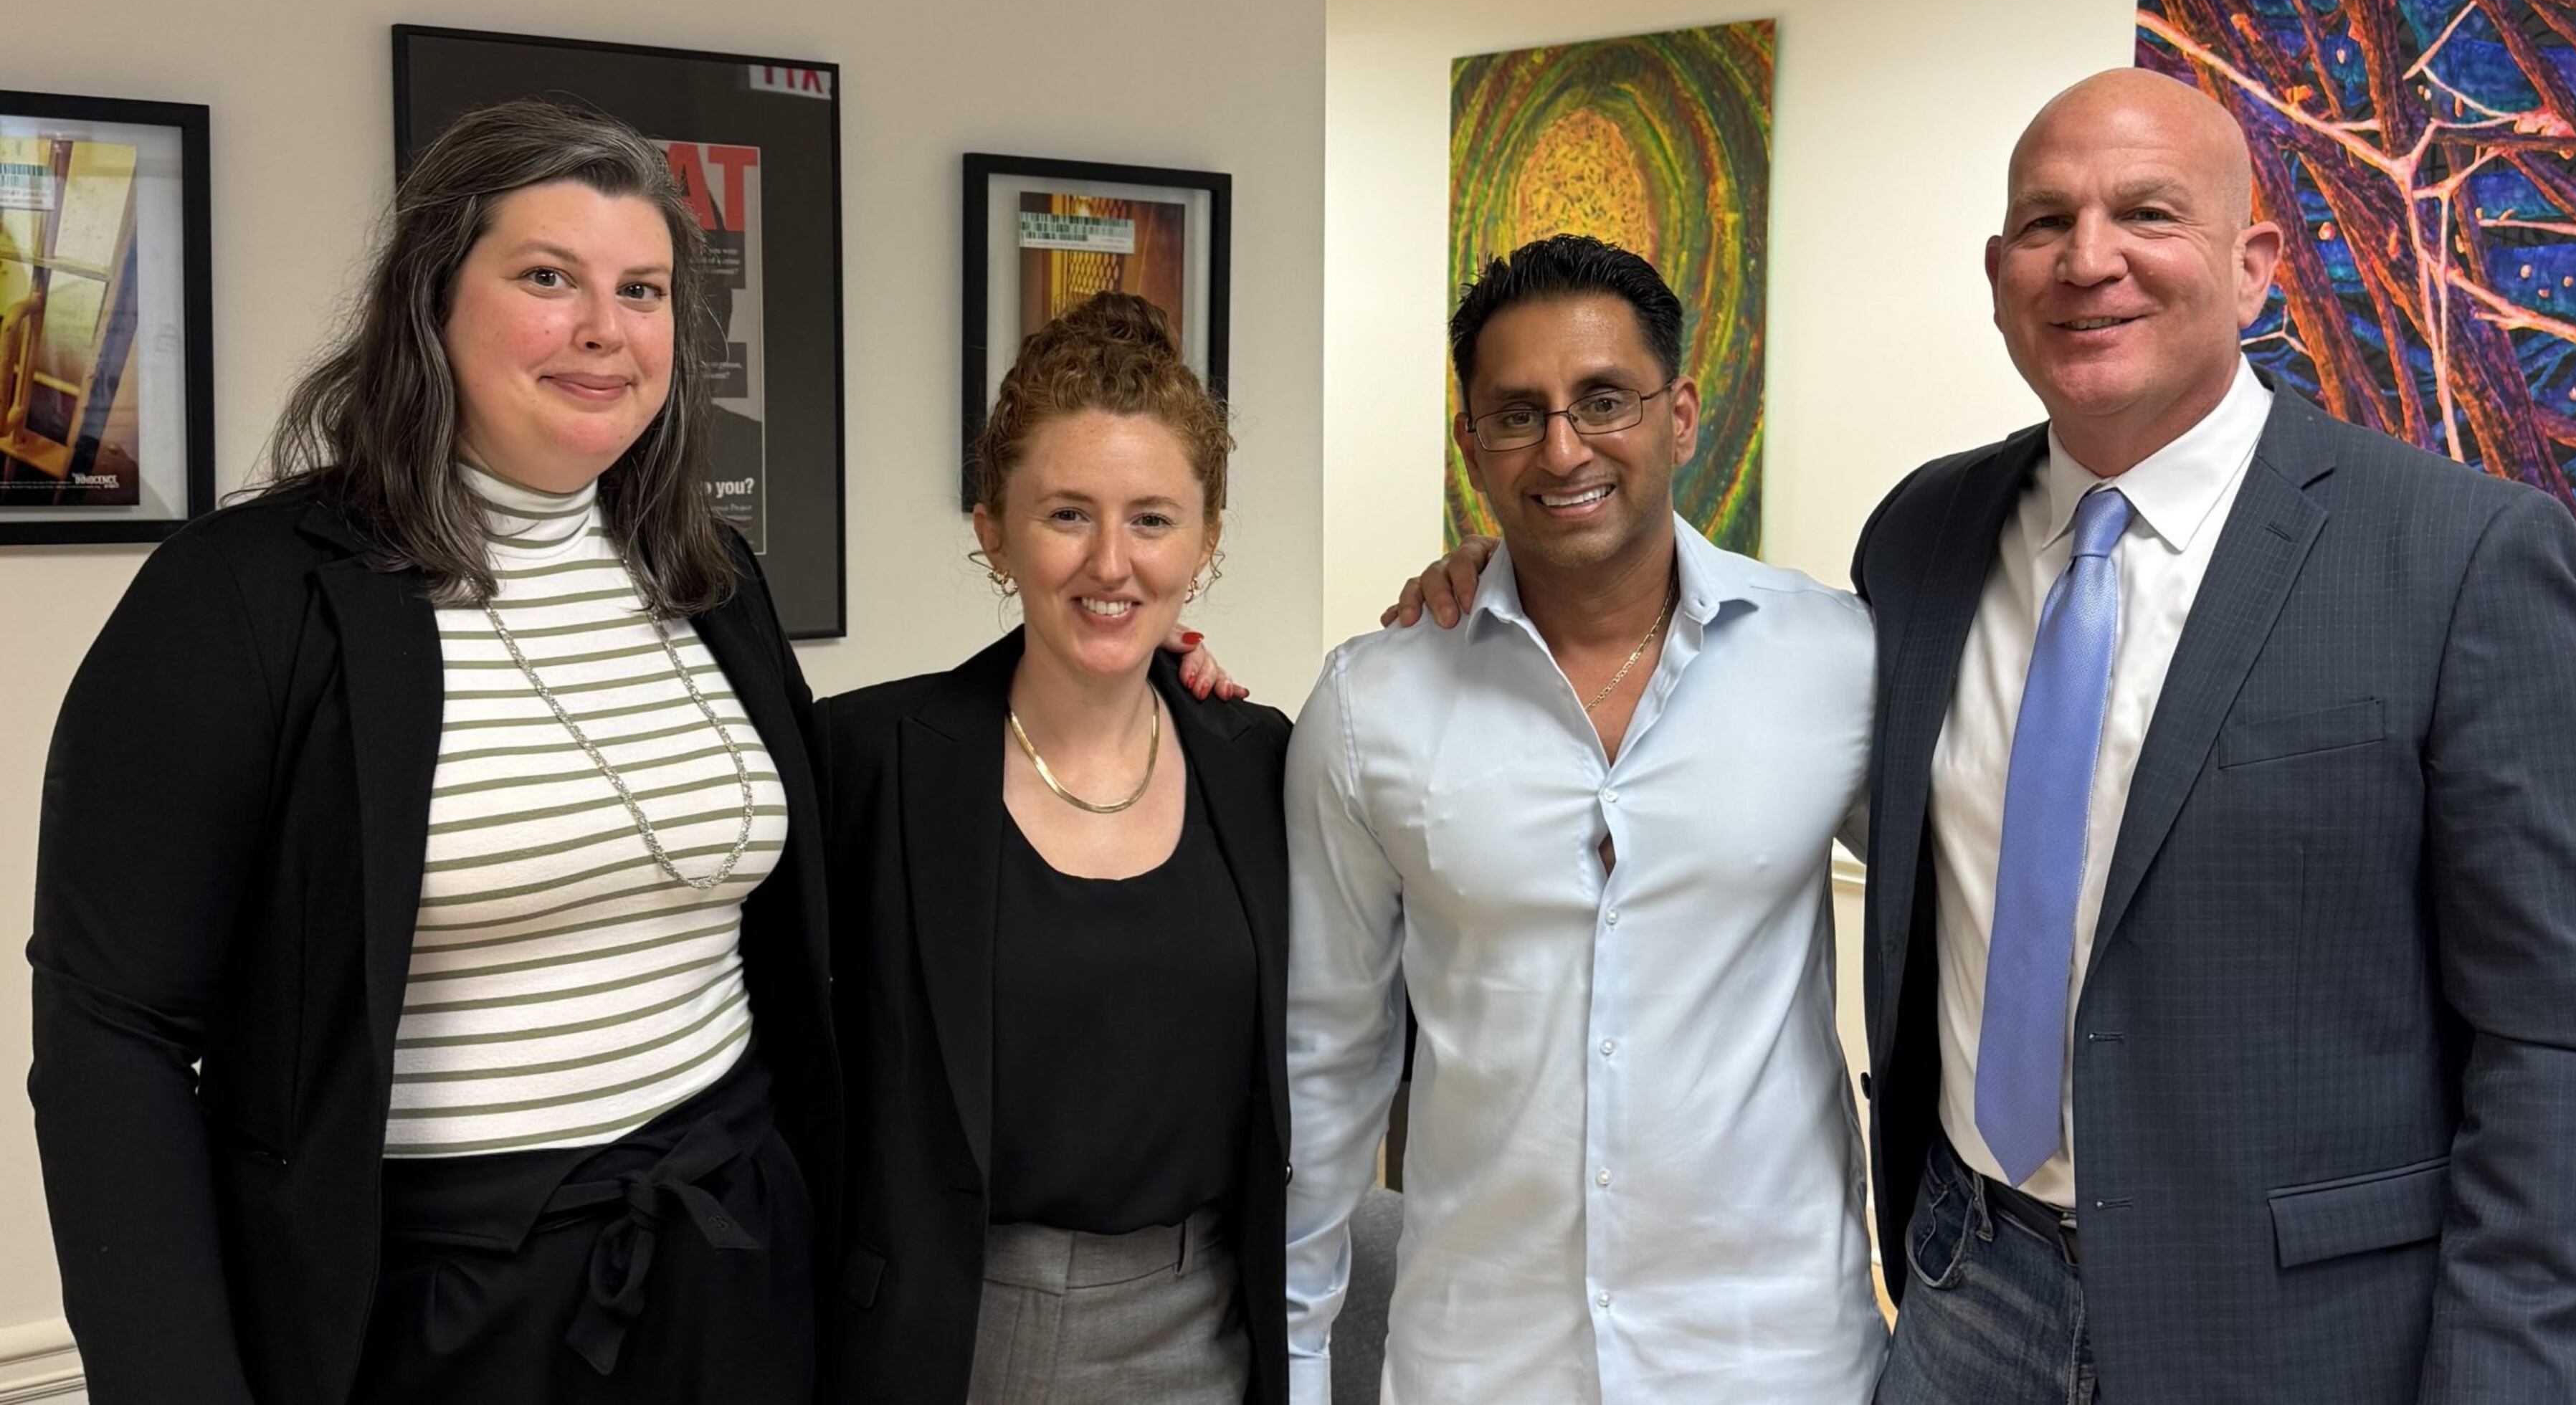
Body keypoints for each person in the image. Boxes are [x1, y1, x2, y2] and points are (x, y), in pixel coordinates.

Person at [1402, 71, 2576, 1404]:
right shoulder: (1926, 540)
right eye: (2046, 222)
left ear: (2253, 269)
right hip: (1965, 1290)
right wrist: (1513, 574)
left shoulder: (2459, 557)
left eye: (2147, 213)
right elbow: (1722, 688)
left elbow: (2568, 1050)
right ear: (2000, 275)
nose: (2091, 259)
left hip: (2292, 1332)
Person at [31, 99, 840, 1404]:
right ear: (430, 302)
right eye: (545, 277)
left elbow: (839, 819)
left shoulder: (709, 576)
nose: (603, 329)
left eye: (642, 291)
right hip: (436, 1301)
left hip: (729, 1252)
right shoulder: (240, 601)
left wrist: (1140, 691)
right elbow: (110, 1030)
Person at [1288, 234, 1888, 1405]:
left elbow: (1980, 915)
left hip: (1774, 1362)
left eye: (1604, 401)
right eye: (1518, 415)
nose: (1564, 448)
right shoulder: (1375, 705)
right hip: (1481, 1360)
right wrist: (1302, 1357)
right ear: (1472, 445)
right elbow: (1327, 1062)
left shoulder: (1838, 662)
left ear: (1682, 412)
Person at [817, 292, 1291, 1404]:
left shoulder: (1264, 762)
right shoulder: (866, 760)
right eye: (1068, 514)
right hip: (950, 1336)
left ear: (1208, 537)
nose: (1112, 563)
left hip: (1207, 1331)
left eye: (1154, 519)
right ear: (993, 527)